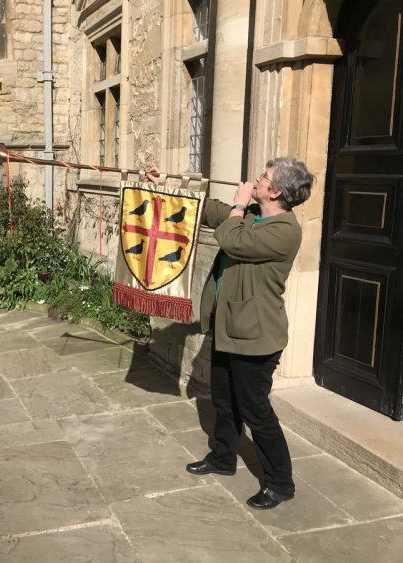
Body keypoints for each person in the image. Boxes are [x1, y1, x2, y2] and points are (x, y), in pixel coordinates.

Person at [145, 158, 314, 510]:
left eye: (263, 177)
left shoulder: (285, 230)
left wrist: (239, 204)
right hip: (228, 327)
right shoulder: (254, 213)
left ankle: (281, 483)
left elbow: (234, 241)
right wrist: (170, 186)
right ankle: (223, 458)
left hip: (256, 336)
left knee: (256, 412)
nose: (256, 179)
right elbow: (212, 213)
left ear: (277, 191)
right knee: (223, 400)